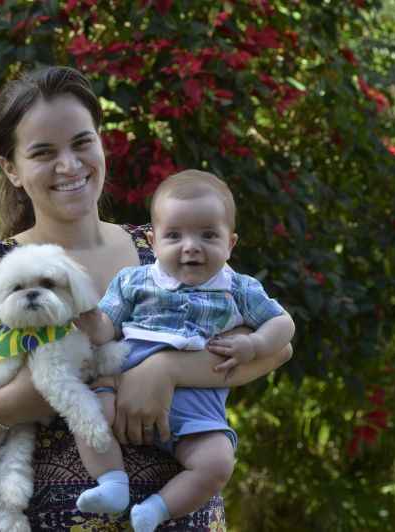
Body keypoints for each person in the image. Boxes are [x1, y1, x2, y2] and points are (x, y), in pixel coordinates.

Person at [0, 65, 293, 530]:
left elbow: (271, 344)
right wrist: (21, 399)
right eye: (43, 152)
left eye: (82, 143)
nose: (70, 165)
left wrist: (165, 370)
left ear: (101, 142)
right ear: (11, 168)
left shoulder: (166, 248)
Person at [72, 170, 296, 531]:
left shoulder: (238, 288)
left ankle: (157, 509)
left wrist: (253, 344)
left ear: (231, 243)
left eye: (208, 235)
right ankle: (113, 483)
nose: (190, 246)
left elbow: (283, 326)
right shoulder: (134, 280)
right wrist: (87, 317)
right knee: (89, 415)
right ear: (153, 241)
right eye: (174, 235)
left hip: (196, 411)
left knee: (218, 462)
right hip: (123, 382)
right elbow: (106, 328)